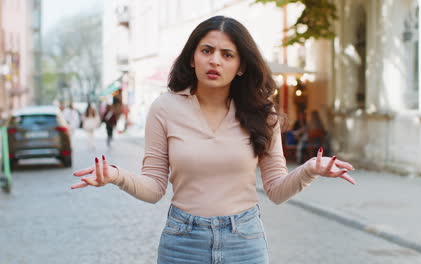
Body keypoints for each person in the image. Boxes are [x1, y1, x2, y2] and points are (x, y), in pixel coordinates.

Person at [71, 16, 356, 263]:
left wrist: (309, 170)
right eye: (206, 50)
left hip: (244, 241)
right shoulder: (164, 108)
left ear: (241, 66)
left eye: (227, 54)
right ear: (192, 58)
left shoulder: (262, 114)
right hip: (182, 241)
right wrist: (116, 176)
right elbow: (155, 187)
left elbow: (276, 191)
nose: (215, 60)